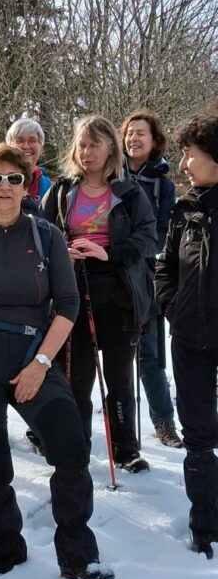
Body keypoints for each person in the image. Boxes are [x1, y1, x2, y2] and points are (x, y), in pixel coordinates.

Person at [0, 141, 113, 579]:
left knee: (70, 448)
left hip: (34, 356)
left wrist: (40, 365)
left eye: (14, 178)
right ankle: (7, 545)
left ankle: (77, 554)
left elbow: (68, 305)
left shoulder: (47, 236)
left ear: (27, 185)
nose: (5, 187)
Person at [42, 115, 157, 473]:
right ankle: (77, 447)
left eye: (94, 144)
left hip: (119, 292)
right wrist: (62, 248)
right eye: (81, 144)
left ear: (111, 148)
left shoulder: (129, 191)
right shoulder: (62, 190)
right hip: (73, 290)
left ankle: (125, 450)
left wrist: (110, 251)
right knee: (77, 379)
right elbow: (40, 233)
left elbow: (149, 238)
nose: (86, 151)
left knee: (120, 378)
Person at [155, 105, 218, 559]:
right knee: (197, 437)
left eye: (190, 154)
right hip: (190, 341)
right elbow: (164, 268)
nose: (183, 165)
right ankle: (205, 527)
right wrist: (172, 308)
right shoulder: (184, 211)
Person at [121, 109, 181, 448]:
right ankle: (117, 425)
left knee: (151, 355)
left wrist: (131, 245)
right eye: (129, 132)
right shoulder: (110, 175)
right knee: (109, 358)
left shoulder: (163, 185)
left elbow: (162, 235)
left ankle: (164, 422)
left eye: (141, 133)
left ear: (154, 140)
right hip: (108, 274)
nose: (133, 138)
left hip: (145, 275)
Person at [6, 117, 52, 201]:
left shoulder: (49, 187)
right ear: (9, 147)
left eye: (32, 140)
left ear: (41, 148)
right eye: (20, 141)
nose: (26, 146)